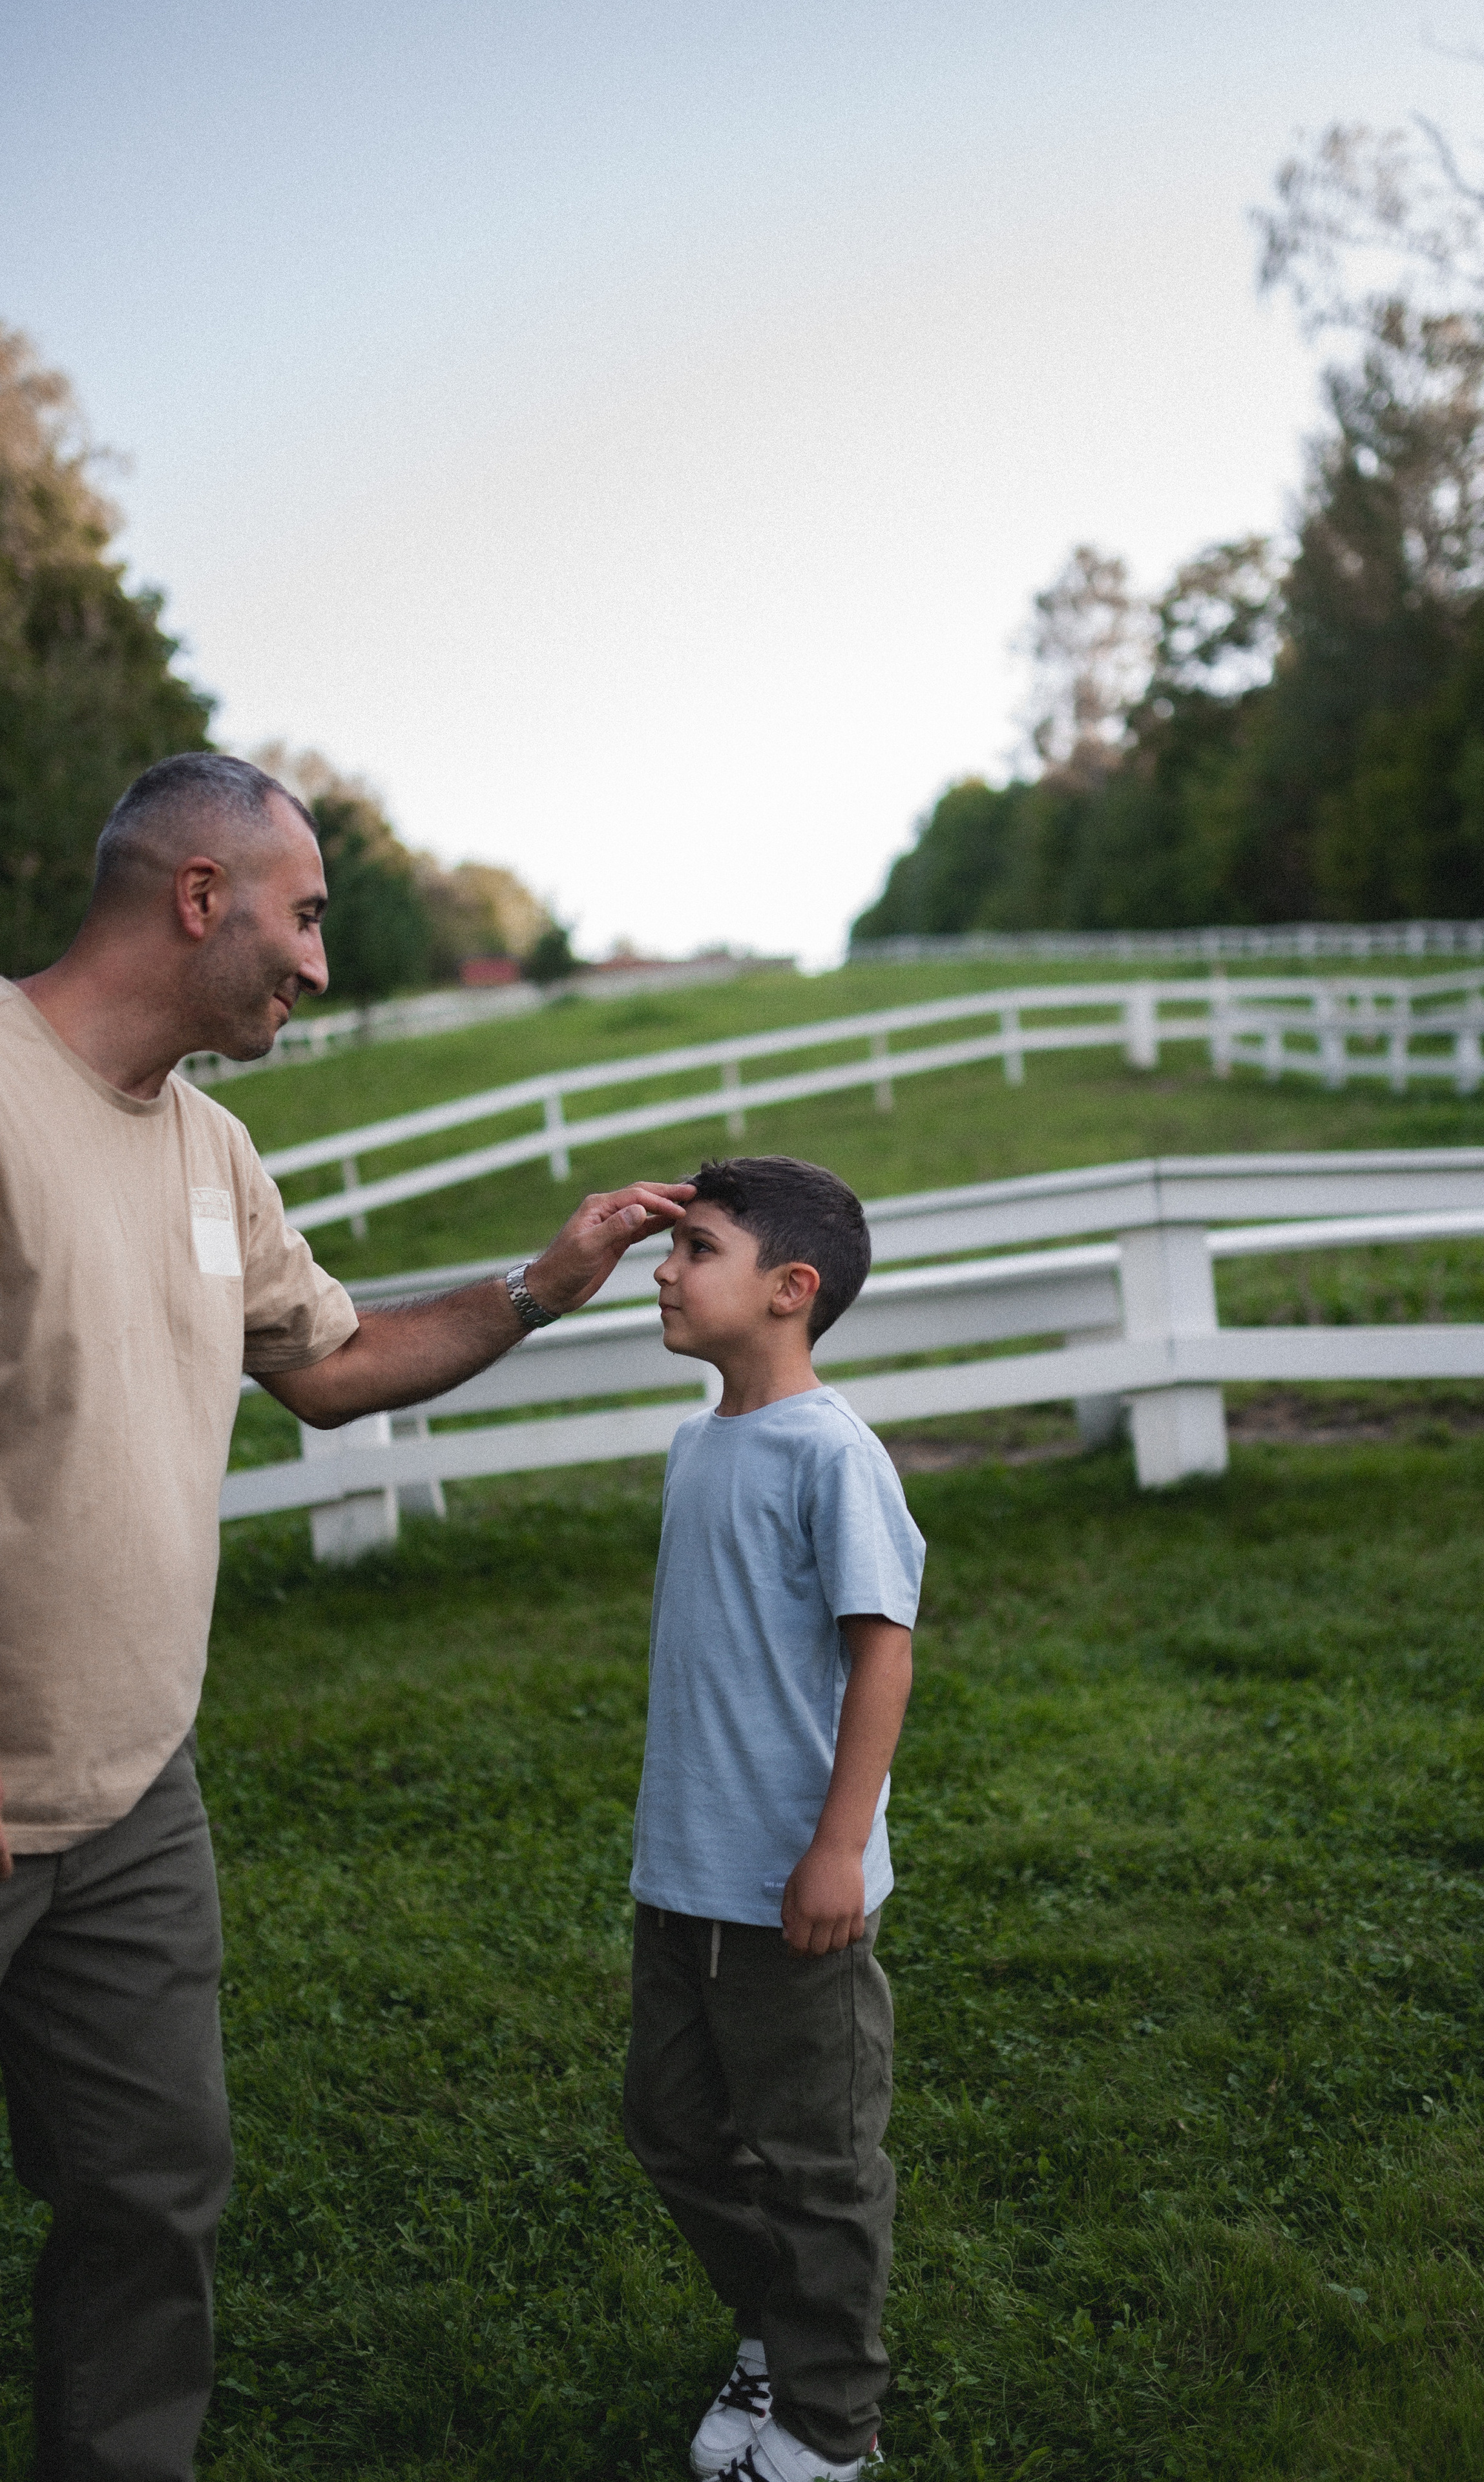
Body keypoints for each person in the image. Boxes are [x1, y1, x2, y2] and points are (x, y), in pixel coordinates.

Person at [0, 751, 692, 2481]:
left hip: (134, 1793)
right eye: (303, 917)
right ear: (197, 898)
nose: (319, 961)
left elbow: (330, 1365)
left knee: (153, 2195)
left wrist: (540, 1287)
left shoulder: (212, 1152)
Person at [623, 1154, 925, 2482]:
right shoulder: (700, 1441)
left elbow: (882, 1651)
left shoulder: (830, 1454)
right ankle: (776, 2322)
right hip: (681, 1874)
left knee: (817, 2162)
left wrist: (836, 1847)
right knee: (674, 2124)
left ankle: (827, 2423)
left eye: (693, 1246)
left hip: (796, 1890)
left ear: (787, 1290)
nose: (664, 1269)